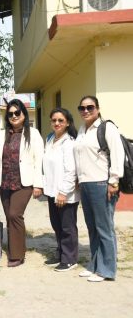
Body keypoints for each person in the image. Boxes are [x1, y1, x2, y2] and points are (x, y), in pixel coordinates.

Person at [74, 95, 124, 282]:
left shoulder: (107, 127)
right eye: (82, 108)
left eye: (90, 107)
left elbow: (117, 155)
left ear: (98, 108)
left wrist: (114, 181)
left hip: (102, 183)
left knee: (104, 228)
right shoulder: (82, 130)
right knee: (92, 227)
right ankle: (94, 264)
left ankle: (107, 270)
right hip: (86, 184)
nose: (86, 111)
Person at [0, 99, 44, 267]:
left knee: (15, 214)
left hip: (24, 182)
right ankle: (17, 247)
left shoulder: (33, 134)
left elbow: (39, 160)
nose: (13, 116)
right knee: (9, 217)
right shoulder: (2, 134)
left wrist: (38, 184)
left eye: (17, 113)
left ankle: (17, 255)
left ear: (23, 114)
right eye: (10, 114)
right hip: (4, 182)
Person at [42, 108, 80, 272]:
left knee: (67, 227)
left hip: (65, 194)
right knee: (56, 225)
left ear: (68, 123)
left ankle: (70, 259)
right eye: (54, 120)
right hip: (52, 192)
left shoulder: (69, 142)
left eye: (60, 120)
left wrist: (64, 191)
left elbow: (71, 170)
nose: (56, 123)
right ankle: (60, 254)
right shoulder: (50, 139)